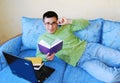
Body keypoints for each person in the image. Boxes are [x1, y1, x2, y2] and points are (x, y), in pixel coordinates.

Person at [36, 11, 120, 83]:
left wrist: (68, 21)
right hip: (82, 61)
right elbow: (38, 55)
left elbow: (85, 23)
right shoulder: (42, 38)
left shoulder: (65, 27)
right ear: (44, 23)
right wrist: (46, 57)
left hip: (90, 48)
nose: (51, 27)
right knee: (112, 79)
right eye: (47, 23)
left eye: (53, 23)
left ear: (57, 22)